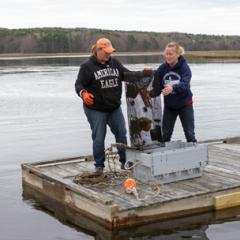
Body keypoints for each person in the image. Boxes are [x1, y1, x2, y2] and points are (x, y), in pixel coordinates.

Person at [75, 38, 129, 174]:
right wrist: (83, 94)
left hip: (114, 107)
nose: (108, 54)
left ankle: (125, 162)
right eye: (106, 52)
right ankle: (99, 166)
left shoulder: (115, 63)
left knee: (121, 134)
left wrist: (143, 73)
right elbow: (79, 85)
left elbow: (127, 75)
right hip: (95, 109)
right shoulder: (87, 66)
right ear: (98, 50)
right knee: (99, 136)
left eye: (110, 52)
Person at [150, 42, 197, 142]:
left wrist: (172, 88)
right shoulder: (162, 68)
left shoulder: (185, 67)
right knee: (166, 135)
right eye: (166, 54)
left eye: (170, 54)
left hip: (185, 104)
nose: (168, 56)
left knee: (189, 133)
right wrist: (147, 75)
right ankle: (165, 156)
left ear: (178, 54)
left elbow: (184, 83)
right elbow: (157, 87)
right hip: (170, 106)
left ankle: (196, 155)